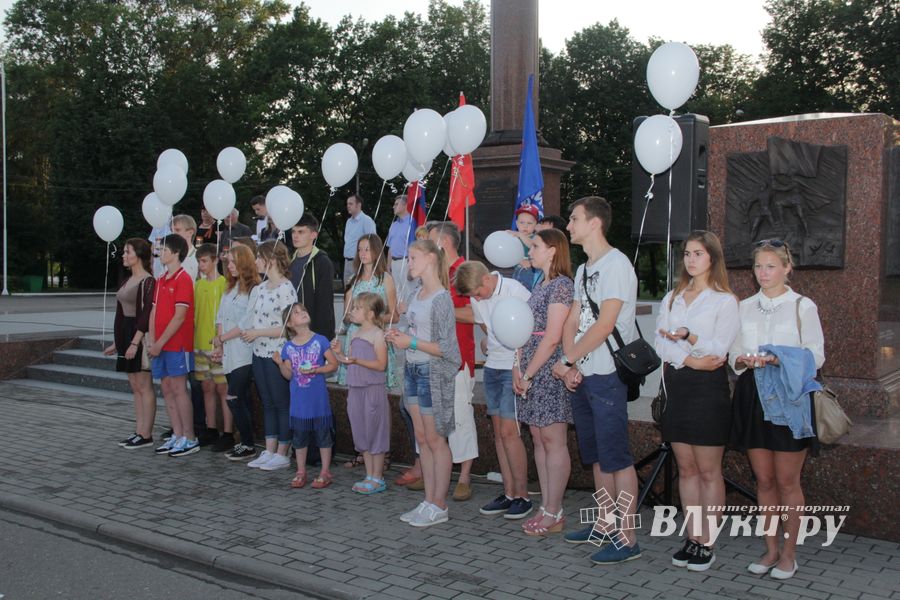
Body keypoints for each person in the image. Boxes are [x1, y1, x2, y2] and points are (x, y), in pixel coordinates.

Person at [552, 196, 642, 564]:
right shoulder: (586, 268)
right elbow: (573, 319)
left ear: (594, 223)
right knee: (598, 458)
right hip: (584, 374)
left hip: (607, 375)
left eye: (574, 219)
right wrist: (571, 365)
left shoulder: (617, 265)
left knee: (617, 458)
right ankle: (605, 524)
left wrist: (567, 359)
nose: (568, 225)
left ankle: (628, 537)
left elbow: (605, 325)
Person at [729, 239, 824, 581]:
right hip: (754, 394)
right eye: (758, 266)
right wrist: (741, 359)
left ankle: (790, 554)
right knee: (765, 480)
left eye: (771, 266)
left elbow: (816, 356)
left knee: (787, 480)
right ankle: (770, 548)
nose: (763, 273)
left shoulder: (802, 307)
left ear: (787, 268)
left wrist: (777, 358)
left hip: (789, 397)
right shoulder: (744, 306)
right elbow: (734, 351)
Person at [654, 231, 740, 571]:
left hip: (708, 391)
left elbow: (719, 350)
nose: (691, 260)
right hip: (678, 384)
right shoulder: (672, 297)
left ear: (712, 259)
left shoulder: (724, 301)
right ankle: (692, 536)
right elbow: (660, 343)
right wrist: (689, 358)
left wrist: (689, 337)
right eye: (687, 253)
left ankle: (708, 542)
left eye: (698, 254)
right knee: (686, 469)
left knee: (708, 471)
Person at [386, 240, 461, 528]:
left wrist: (411, 341)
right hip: (413, 371)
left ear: (431, 258)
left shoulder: (442, 298)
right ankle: (429, 500)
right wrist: (398, 333)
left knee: (435, 439)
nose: (410, 262)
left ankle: (438, 503)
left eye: (414, 257)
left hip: (432, 373)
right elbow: (411, 328)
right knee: (423, 438)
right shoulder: (417, 292)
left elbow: (448, 349)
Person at [455, 260, 533, 520]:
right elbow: (488, 326)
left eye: (477, 293)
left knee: (511, 432)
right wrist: (489, 340)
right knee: (500, 433)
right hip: (493, 366)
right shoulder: (479, 296)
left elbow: (532, 328)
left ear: (486, 280)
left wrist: (521, 368)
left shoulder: (515, 291)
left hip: (514, 367)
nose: (477, 299)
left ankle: (523, 495)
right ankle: (509, 492)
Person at [511, 229, 575, 535]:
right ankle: (546, 506)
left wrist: (528, 373)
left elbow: (552, 338)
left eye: (535, 246)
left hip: (548, 370)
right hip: (530, 368)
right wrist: (517, 367)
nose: (530, 250)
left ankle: (555, 510)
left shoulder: (561, 285)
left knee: (553, 440)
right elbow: (521, 329)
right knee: (537, 437)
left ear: (552, 251)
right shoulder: (540, 283)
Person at [428, 221, 477, 502]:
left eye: (431, 241)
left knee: (460, 418)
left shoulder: (464, 271)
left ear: (444, 243)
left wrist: (444, 309)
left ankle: (465, 476)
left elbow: (473, 315)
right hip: (434, 357)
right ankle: (436, 472)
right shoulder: (436, 274)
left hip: (459, 358)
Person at [243, 240, 298, 471]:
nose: (255, 262)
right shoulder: (260, 288)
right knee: (267, 402)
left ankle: (283, 452)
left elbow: (289, 326)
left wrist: (258, 332)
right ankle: (269, 448)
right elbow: (251, 318)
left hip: (277, 353)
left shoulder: (287, 289)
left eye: (259, 257)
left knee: (281, 402)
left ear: (271, 259)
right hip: (258, 352)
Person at [274, 303, 339, 489]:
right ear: (289, 324)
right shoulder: (288, 347)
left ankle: (325, 471)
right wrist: (280, 364)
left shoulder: (320, 340)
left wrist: (316, 369)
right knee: (299, 438)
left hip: (318, 401)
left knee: (323, 436)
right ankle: (301, 471)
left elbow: (333, 364)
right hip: (299, 402)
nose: (302, 313)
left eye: (303, 310)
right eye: (296, 313)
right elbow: (288, 375)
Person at [332, 292, 390, 494]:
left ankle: (378, 477)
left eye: (357, 308)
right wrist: (339, 353)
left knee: (376, 431)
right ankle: (369, 474)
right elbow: (349, 361)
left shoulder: (377, 334)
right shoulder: (354, 333)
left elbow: (381, 365)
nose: (352, 311)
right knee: (362, 431)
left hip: (372, 389)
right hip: (356, 388)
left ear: (370, 313)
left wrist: (357, 361)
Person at [148, 234, 199, 457]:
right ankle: (177, 434)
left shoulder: (183, 279)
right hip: (160, 344)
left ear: (176, 252)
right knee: (167, 389)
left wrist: (159, 342)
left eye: (164, 249)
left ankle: (190, 437)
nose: (160, 252)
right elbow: (153, 311)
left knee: (179, 389)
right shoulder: (160, 279)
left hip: (176, 344)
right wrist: (151, 338)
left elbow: (179, 317)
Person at [105, 238, 157, 449]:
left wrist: (135, 342)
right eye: (124, 252)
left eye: (128, 252)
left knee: (144, 385)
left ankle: (146, 434)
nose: (124, 255)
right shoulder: (127, 280)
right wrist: (118, 342)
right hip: (126, 333)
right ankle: (138, 430)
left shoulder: (148, 281)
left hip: (139, 335)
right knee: (135, 386)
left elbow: (145, 316)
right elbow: (120, 312)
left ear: (139, 255)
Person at [212, 244, 260, 461]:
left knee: (233, 397)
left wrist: (221, 338)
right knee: (241, 399)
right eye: (228, 261)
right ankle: (247, 442)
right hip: (229, 353)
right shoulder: (229, 288)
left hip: (244, 353)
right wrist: (219, 345)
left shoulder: (254, 289)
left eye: (233, 261)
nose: (229, 265)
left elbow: (245, 323)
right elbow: (220, 317)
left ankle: (249, 443)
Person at [337, 234, 397, 389]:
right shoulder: (353, 280)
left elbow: (394, 316)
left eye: (367, 249)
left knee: (375, 388)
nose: (362, 253)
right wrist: (352, 316)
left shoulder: (385, 279)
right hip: (355, 338)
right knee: (356, 388)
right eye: (359, 250)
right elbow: (346, 316)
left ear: (376, 251)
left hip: (375, 339)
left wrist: (371, 320)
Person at [193, 243, 231, 451]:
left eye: (205, 261)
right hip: (199, 342)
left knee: (222, 388)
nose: (201, 265)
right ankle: (210, 428)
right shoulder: (198, 285)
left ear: (215, 260)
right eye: (199, 261)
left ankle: (227, 432)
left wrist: (220, 340)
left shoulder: (224, 283)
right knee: (206, 387)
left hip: (217, 344)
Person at [289, 213, 336, 340]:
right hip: (292, 331)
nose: (295, 235)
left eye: (301, 232)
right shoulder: (290, 262)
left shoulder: (322, 262)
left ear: (313, 235)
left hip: (314, 332)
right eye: (293, 231)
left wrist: (322, 337)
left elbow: (325, 304)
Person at [342, 193, 376, 286]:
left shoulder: (367, 220)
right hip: (347, 261)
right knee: (348, 290)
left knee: (359, 290)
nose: (348, 206)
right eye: (347, 204)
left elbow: (372, 242)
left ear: (359, 205)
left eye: (351, 204)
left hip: (359, 262)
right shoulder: (348, 221)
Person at [511, 205, 542, 291]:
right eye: (522, 222)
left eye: (529, 223)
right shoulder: (514, 239)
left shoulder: (536, 237)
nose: (525, 226)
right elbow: (509, 254)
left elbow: (532, 245)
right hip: (517, 272)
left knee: (529, 292)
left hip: (533, 273)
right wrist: (519, 260)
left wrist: (520, 235)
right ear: (516, 223)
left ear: (536, 225)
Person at [385, 195, 414, 285]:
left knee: (408, 294)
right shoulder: (394, 225)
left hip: (407, 264)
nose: (393, 206)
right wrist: (388, 266)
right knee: (396, 294)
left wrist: (412, 267)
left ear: (405, 206)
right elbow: (390, 248)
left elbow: (416, 247)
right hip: (394, 264)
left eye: (396, 204)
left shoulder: (413, 223)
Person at [172, 214, 199, 280]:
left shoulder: (198, 257)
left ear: (190, 232)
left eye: (177, 230)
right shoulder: (169, 256)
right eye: (172, 230)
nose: (173, 233)